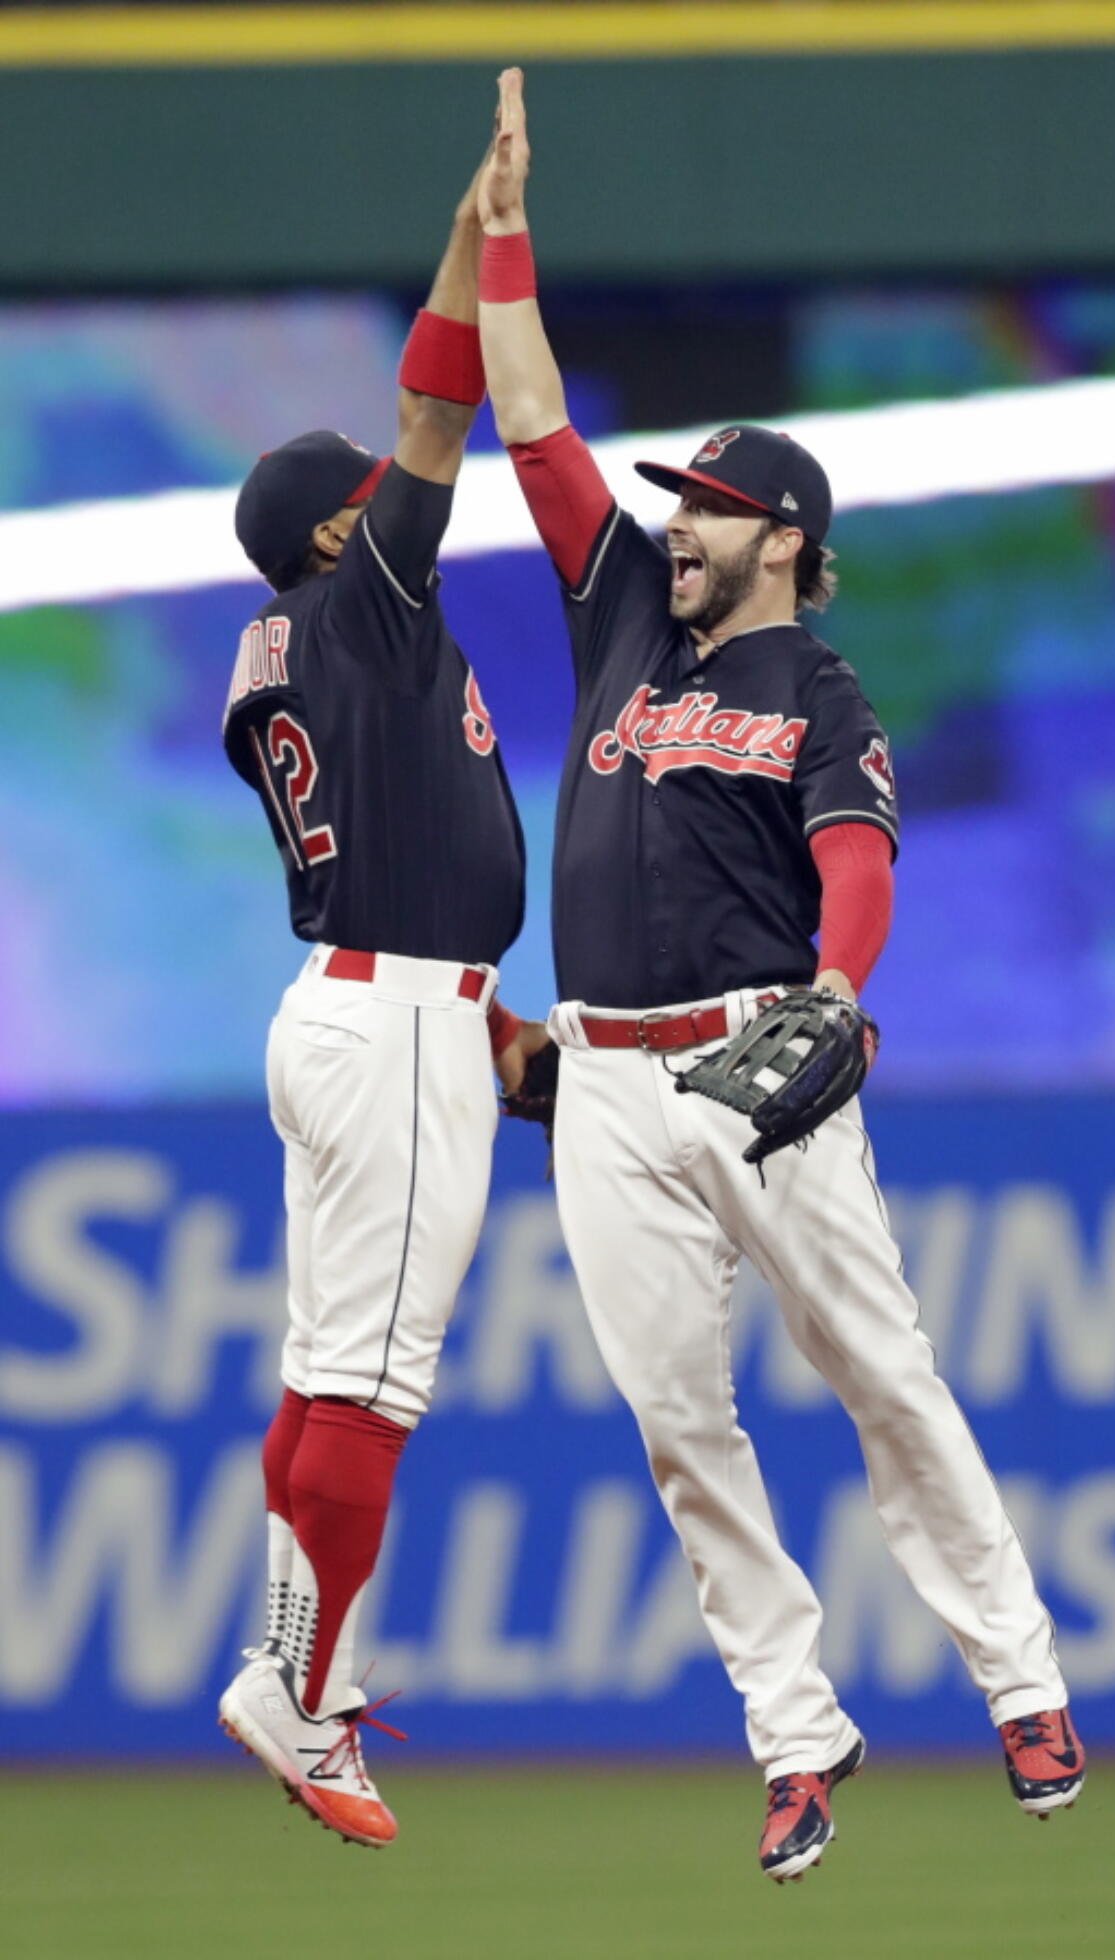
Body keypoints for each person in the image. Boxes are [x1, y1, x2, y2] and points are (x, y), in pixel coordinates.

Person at [475, 69, 1085, 1884]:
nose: (682, 521)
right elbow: (527, 422)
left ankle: (1020, 1681)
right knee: (679, 1422)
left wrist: (833, 990)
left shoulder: (813, 691)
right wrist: (501, 235)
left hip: (760, 1058)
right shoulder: (619, 618)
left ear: (789, 541)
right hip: (604, 1076)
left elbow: (855, 857)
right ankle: (792, 1736)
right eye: (681, 500)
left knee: (882, 1376)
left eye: (716, 507)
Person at [218, 154, 545, 1849]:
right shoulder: (366, 599)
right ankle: (304, 1700)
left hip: (359, 1002)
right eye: (370, 496)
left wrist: (491, 1028)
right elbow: (435, 407)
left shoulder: (289, 643)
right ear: (338, 535)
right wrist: (473, 237)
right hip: (396, 1017)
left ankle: (295, 1671)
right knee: (370, 1387)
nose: (405, 492)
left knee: (317, 1373)